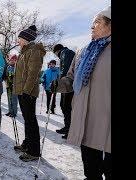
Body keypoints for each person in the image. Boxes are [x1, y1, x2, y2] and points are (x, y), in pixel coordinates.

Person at [51, 6, 111, 179]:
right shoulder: (83, 51)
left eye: (97, 23)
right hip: (87, 117)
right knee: (91, 167)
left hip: (107, 117)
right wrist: (59, 84)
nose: (92, 27)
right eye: (92, 24)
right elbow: (70, 78)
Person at [13, 25, 46, 161]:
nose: (18, 41)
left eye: (19, 38)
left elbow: (33, 74)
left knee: (31, 120)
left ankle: (34, 151)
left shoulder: (34, 51)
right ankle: (27, 144)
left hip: (28, 92)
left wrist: (26, 91)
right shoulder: (24, 52)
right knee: (27, 119)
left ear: (26, 39)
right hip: (22, 91)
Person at [52, 44, 75, 139]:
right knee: (64, 105)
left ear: (57, 51)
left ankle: (70, 130)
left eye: (55, 53)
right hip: (67, 84)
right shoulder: (67, 53)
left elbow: (64, 69)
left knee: (67, 106)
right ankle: (67, 127)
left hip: (67, 84)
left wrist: (59, 82)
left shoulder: (65, 53)